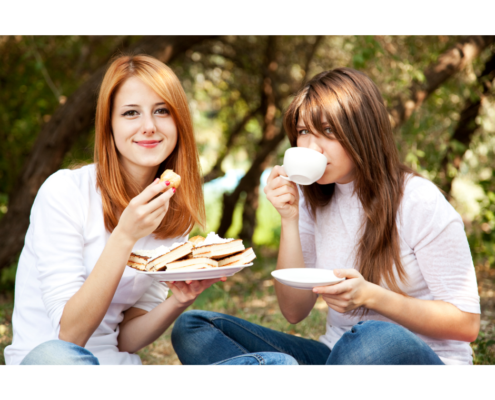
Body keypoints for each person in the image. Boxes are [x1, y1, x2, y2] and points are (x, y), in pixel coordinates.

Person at [172, 68, 481, 366]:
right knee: (194, 328)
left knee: (372, 338)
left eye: (328, 131)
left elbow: (466, 324)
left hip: (411, 355)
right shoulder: (313, 200)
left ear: (362, 132)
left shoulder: (418, 200)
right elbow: (294, 311)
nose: (311, 146)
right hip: (335, 356)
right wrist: (289, 217)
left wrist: (373, 297)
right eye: (304, 131)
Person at [5, 54, 225, 366]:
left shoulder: (172, 216)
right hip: (51, 360)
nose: (148, 126)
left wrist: (179, 300)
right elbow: (69, 336)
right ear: (109, 123)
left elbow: (125, 338)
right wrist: (124, 236)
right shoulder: (65, 192)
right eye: (131, 113)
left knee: (275, 363)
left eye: (162, 111)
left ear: (179, 122)